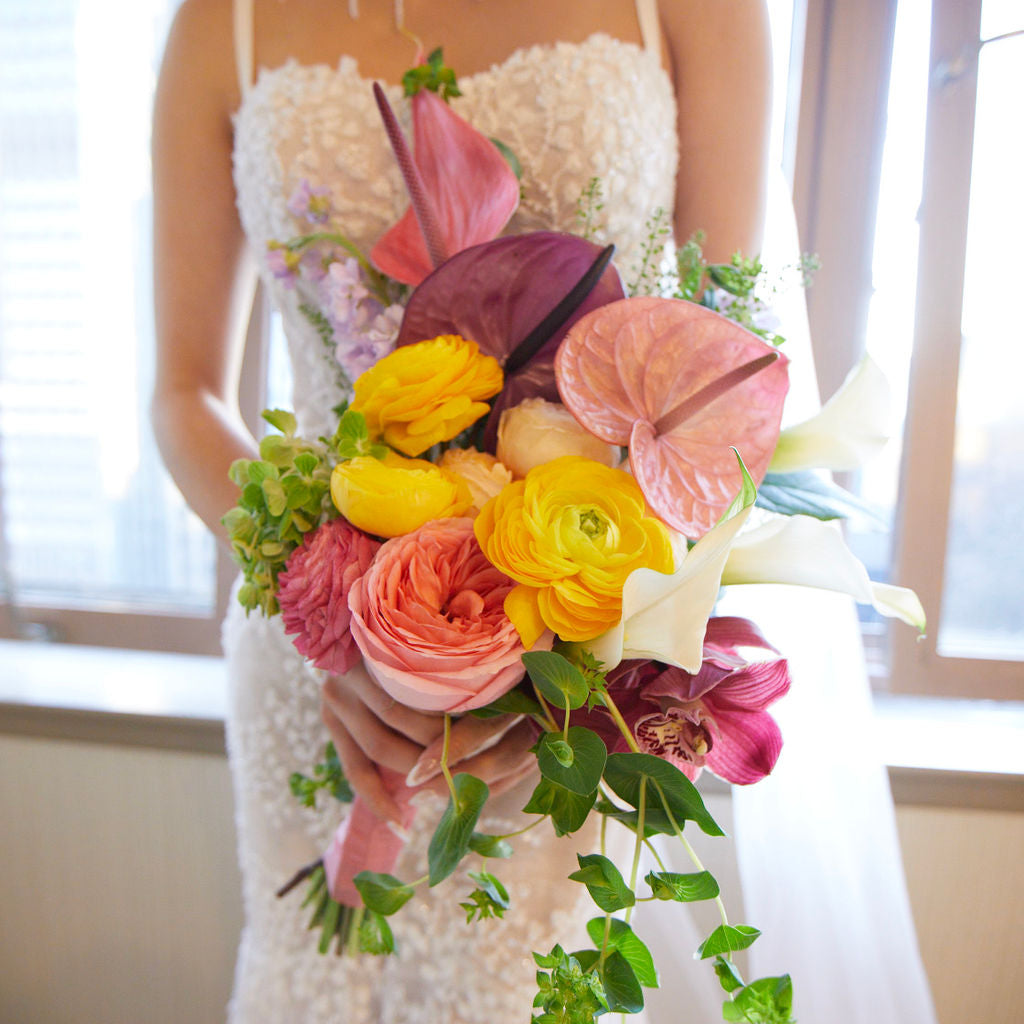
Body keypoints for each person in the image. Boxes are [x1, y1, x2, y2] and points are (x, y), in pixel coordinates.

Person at [151, 2, 937, 1022]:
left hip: (572, 645)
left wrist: (548, 645)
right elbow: (183, 393)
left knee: (534, 986)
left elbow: (716, 363)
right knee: (318, 977)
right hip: (315, 651)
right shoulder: (224, 21)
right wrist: (346, 615)